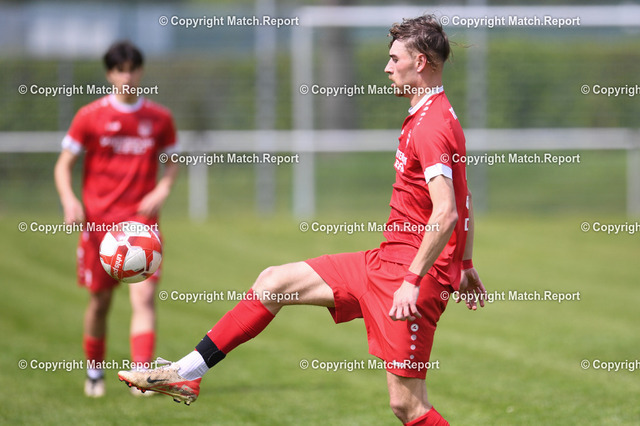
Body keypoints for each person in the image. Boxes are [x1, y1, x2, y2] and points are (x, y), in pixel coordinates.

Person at [119, 14, 486, 425]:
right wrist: (465, 263)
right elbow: (465, 197)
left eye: (394, 59)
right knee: (274, 282)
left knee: (407, 405)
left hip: (412, 277)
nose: (387, 67)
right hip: (385, 262)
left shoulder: (433, 125)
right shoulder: (428, 115)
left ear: (420, 62)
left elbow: (446, 211)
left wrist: (414, 280)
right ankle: (187, 373)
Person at [54, 40, 179, 398]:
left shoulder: (159, 118)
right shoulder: (89, 116)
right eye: (119, 70)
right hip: (100, 226)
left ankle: (142, 377)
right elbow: (63, 165)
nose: (127, 76)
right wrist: (69, 200)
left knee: (144, 297)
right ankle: (95, 372)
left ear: (141, 72)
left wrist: (163, 189)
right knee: (100, 302)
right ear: (109, 74)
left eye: (132, 69)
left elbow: (172, 162)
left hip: (141, 225)